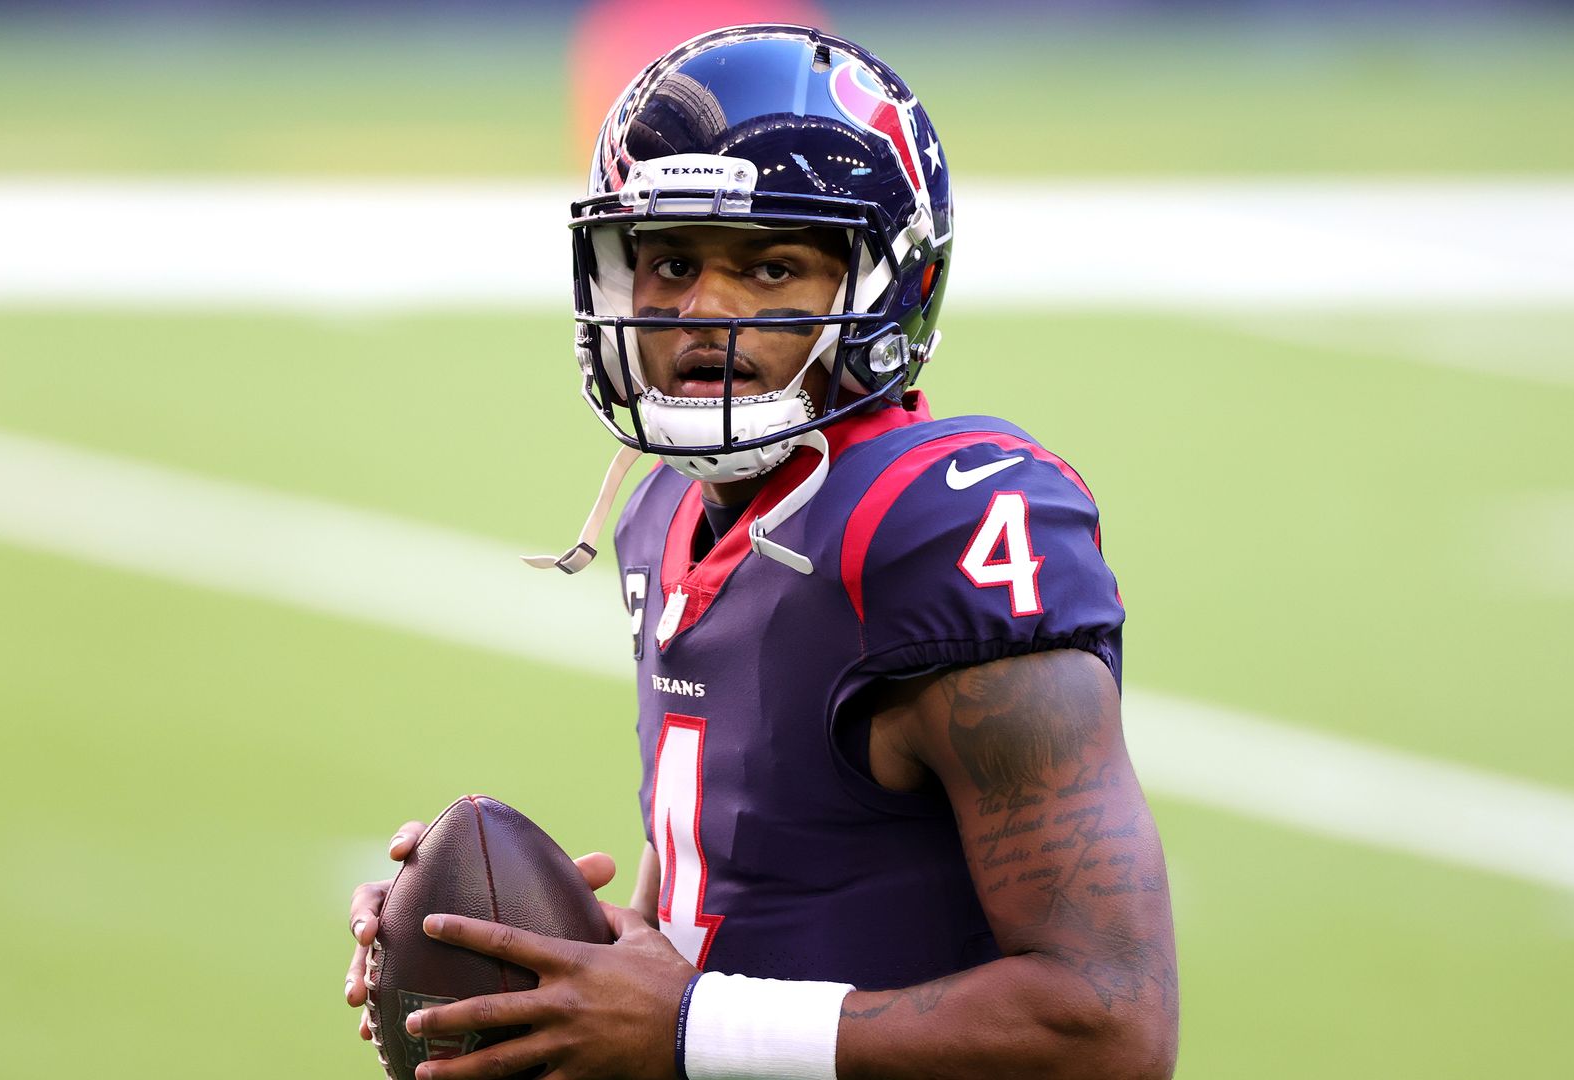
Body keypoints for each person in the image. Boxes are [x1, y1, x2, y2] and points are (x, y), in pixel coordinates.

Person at [345, 25, 1178, 1080]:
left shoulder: (938, 528)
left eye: (771, 267)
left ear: (883, 288)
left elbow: (1108, 1027)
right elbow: (744, 917)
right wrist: (513, 948)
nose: (705, 313)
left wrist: (692, 1027)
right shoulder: (666, 515)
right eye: (672, 262)